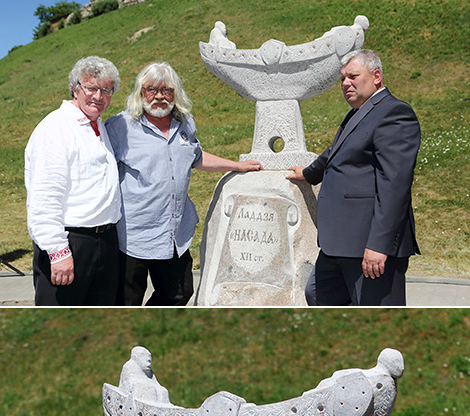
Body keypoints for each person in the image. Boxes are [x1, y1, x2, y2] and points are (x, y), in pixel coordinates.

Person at [106, 62, 263, 306]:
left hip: (172, 232)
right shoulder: (120, 127)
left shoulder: (185, 124)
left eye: (166, 90)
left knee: (179, 293)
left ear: (175, 93)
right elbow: (102, 171)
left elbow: (196, 157)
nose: (159, 96)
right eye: (152, 89)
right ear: (140, 92)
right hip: (133, 234)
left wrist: (237, 165)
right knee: (126, 302)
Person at [286, 50, 421, 307]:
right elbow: (335, 152)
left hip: (369, 245)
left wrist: (379, 245)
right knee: (317, 295)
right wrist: (308, 173)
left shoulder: (395, 113)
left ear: (376, 76)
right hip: (339, 243)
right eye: (342, 79)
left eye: (353, 76)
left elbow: (395, 186)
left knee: (374, 309)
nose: (346, 83)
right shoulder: (360, 111)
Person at [25, 56, 121, 306]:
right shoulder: (56, 128)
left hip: (105, 242)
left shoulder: (96, 124)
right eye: (90, 87)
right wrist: (58, 252)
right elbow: (45, 197)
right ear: (74, 88)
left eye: (106, 90)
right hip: (71, 244)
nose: (98, 96)